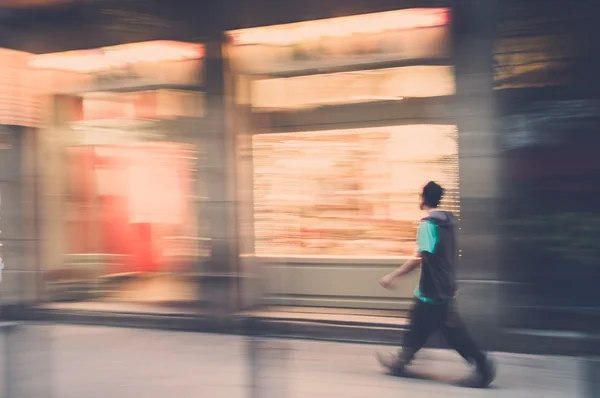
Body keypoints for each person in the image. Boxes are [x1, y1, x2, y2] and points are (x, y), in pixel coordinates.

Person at [376, 181, 496, 388]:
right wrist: (452, 283)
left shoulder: (428, 225)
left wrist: (392, 276)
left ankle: (483, 366)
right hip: (442, 287)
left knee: (451, 333)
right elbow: (450, 256)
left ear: (423, 198)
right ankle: (401, 362)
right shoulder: (448, 224)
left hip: (432, 290)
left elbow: (420, 258)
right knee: (418, 327)